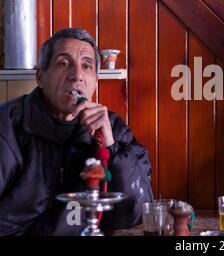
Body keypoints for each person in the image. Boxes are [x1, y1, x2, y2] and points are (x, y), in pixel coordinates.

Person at [0, 28, 153, 235]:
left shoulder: (113, 128)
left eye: (87, 66)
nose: (77, 75)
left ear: (95, 82)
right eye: (64, 64)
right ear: (40, 77)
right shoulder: (7, 125)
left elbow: (135, 214)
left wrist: (111, 147)